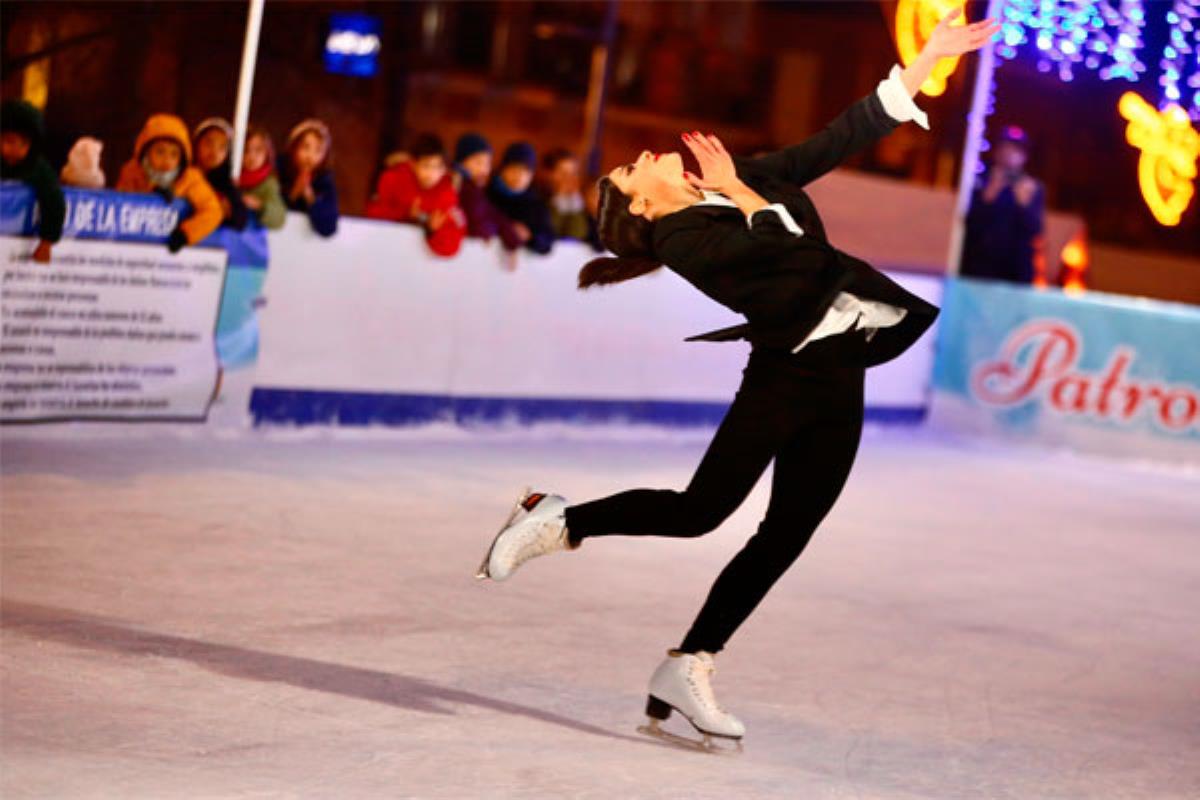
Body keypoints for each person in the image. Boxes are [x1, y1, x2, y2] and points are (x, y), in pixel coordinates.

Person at [476, 10, 999, 746]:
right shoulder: (680, 236)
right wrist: (741, 192)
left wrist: (926, 63)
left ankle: (689, 663)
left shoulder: (740, 175)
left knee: (790, 530)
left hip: (840, 367)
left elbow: (843, 134)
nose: (644, 157)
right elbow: (792, 266)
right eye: (632, 172)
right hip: (785, 377)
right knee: (700, 511)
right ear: (643, 204)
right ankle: (560, 518)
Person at [115, 113, 222, 253]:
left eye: (174, 154)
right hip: (135, 249)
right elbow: (119, 206)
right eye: (160, 152)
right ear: (146, 152)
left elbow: (213, 211)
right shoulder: (132, 172)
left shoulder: (190, 178)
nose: (167, 161)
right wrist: (151, 195)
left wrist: (185, 234)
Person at [960, 124, 1044, 284]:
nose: (1009, 154)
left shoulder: (1032, 187)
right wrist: (989, 194)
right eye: (1005, 147)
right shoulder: (979, 179)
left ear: (1024, 156)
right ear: (997, 151)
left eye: (1015, 150)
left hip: (1015, 273)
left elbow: (1035, 231)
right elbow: (968, 223)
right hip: (978, 269)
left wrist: (1024, 204)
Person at [366, 133, 466, 258]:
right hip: (384, 254)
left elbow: (453, 243)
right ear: (413, 164)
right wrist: (405, 214)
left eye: (437, 168)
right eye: (426, 166)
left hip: (419, 264)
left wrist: (431, 231)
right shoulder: (394, 180)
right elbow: (372, 215)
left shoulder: (446, 194)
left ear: (445, 170)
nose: (431, 174)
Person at [0, 99, 65, 263]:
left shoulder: (37, 168)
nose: (8, 149)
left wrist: (46, 241)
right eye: (5, 141)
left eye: (13, 142)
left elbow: (54, 200)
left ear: (29, 144)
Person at [452, 132, 524, 261]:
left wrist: (512, 240)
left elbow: (494, 215)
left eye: (487, 163)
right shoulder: (461, 188)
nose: (484, 169)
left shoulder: (478, 191)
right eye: (478, 162)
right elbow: (477, 224)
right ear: (462, 163)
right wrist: (491, 231)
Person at [487, 141, 555, 255]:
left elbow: (548, 242)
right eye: (514, 169)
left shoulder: (536, 204)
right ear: (503, 169)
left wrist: (530, 237)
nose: (519, 176)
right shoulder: (488, 195)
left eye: (526, 171)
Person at [279, 119, 338, 237]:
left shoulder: (324, 182)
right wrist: (293, 194)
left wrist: (310, 198)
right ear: (294, 148)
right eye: (305, 147)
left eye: (318, 150)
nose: (310, 156)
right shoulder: (278, 172)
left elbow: (329, 228)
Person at [192, 117, 249, 231]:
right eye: (209, 143)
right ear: (196, 144)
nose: (214, 151)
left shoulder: (227, 185)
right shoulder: (183, 176)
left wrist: (228, 212)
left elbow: (241, 221)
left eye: (222, 147)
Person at [238, 124, 287, 229]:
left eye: (258, 150)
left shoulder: (269, 183)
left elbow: (279, 219)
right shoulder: (232, 178)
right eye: (245, 150)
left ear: (267, 153)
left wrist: (259, 205)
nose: (251, 156)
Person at [539, 147, 592, 241]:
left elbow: (578, 234)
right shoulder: (536, 198)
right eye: (562, 172)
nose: (568, 178)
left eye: (573, 173)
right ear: (547, 173)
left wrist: (574, 202)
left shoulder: (575, 200)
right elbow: (551, 232)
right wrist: (558, 199)